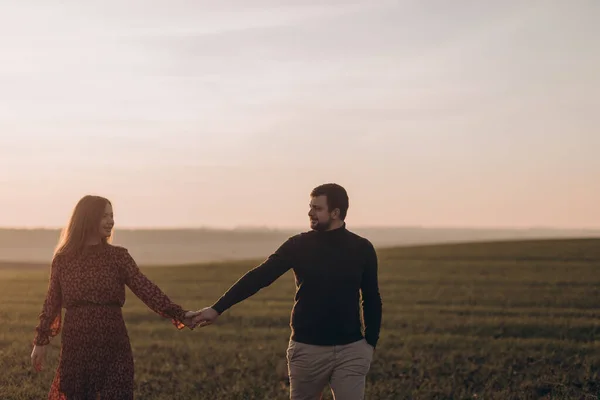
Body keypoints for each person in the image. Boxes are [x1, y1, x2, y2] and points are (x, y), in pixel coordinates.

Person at [193, 183, 383, 400]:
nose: (310, 212)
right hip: (307, 350)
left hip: (351, 350)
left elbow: (371, 298)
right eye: (310, 206)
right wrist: (217, 308)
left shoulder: (362, 248)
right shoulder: (298, 245)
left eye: (317, 208)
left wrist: (369, 344)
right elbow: (260, 277)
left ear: (336, 212)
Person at [30, 195, 199, 400]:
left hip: (114, 344)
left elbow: (145, 288)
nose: (111, 221)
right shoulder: (63, 260)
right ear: (88, 218)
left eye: (112, 216)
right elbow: (51, 302)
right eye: (104, 216)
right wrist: (40, 342)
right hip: (77, 345)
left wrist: (180, 314)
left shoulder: (118, 257)